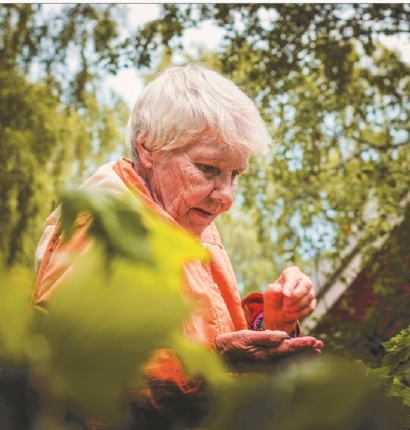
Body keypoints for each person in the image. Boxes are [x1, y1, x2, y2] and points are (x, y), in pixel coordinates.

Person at [32, 64, 322, 429]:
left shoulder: (184, 217)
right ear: (149, 148)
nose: (227, 196)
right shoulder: (104, 228)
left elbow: (204, 332)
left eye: (236, 175)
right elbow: (67, 380)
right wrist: (214, 362)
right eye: (208, 169)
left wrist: (272, 321)